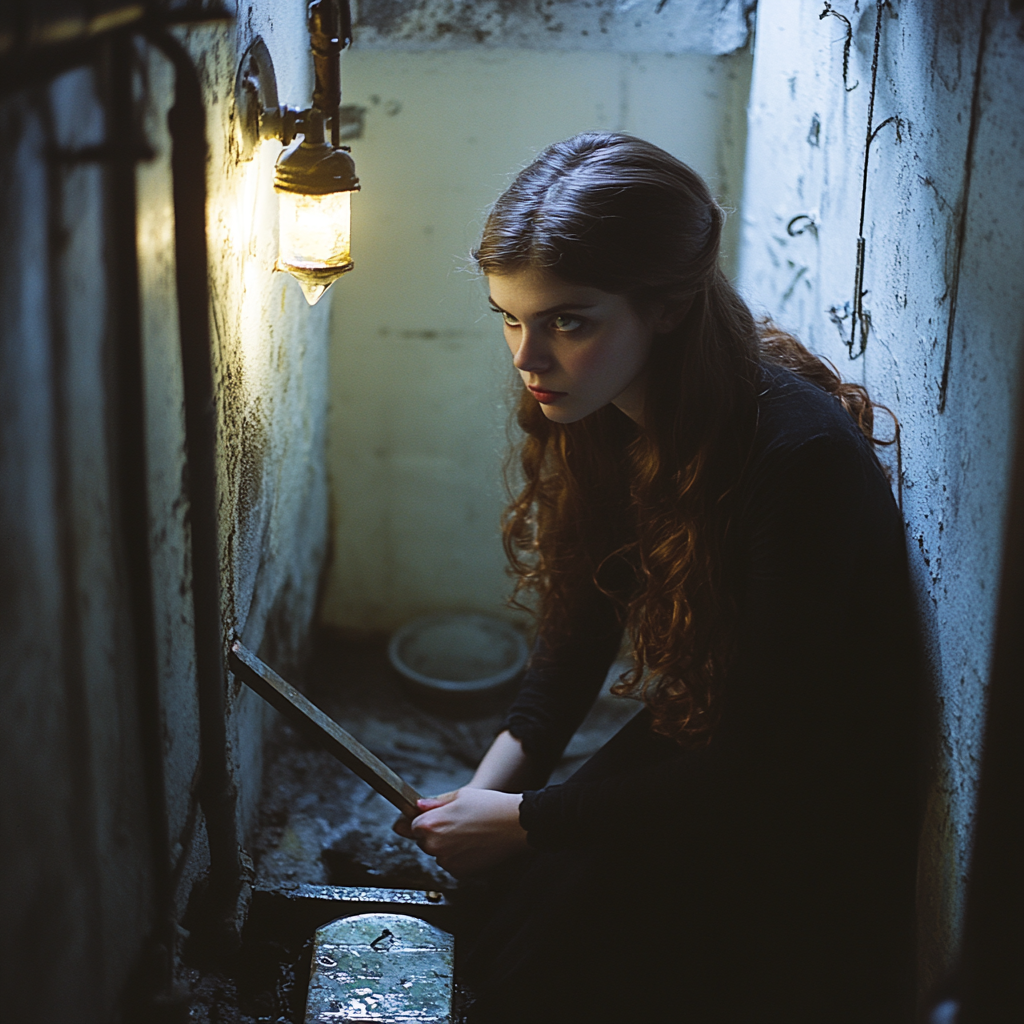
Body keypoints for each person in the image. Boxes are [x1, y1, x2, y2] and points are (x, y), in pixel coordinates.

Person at [393, 132, 922, 1023]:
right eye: (511, 318)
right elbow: (580, 626)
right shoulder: (603, 406)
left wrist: (524, 820)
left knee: (554, 948)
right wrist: (494, 789)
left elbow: (768, 763)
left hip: (807, 796)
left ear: (669, 307)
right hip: (719, 739)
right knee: (511, 911)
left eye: (569, 319)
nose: (528, 359)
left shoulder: (798, 461)